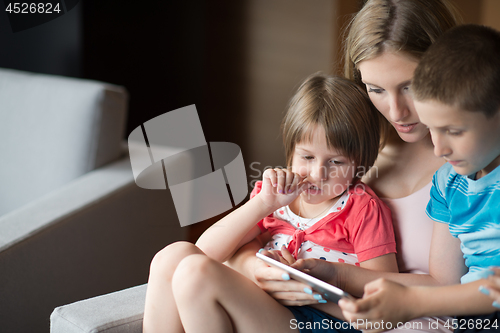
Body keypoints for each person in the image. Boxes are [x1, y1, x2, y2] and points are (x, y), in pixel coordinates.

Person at [225, 0, 463, 332]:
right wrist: (254, 268)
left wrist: (332, 278)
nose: (396, 112)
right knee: (180, 263)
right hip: (304, 309)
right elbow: (258, 233)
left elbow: (448, 292)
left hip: (390, 321)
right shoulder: (346, 145)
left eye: (410, 86)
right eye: (376, 89)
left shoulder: (466, 163)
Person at [142, 73, 398, 333]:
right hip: (266, 306)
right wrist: (263, 203)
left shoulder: (362, 208)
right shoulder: (277, 195)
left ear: (359, 164)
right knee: (171, 257)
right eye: (307, 156)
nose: (319, 173)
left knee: (196, 274)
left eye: (336, 162)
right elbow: (205, 251)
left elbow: (386, 293)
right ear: (291, 151)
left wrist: (311, 291)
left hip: (322, 320)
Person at [339, 24, 500, 333]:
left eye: (453, 131)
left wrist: (412, 302)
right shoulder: (449, 182)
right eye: (433, 128)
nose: (439, 148)